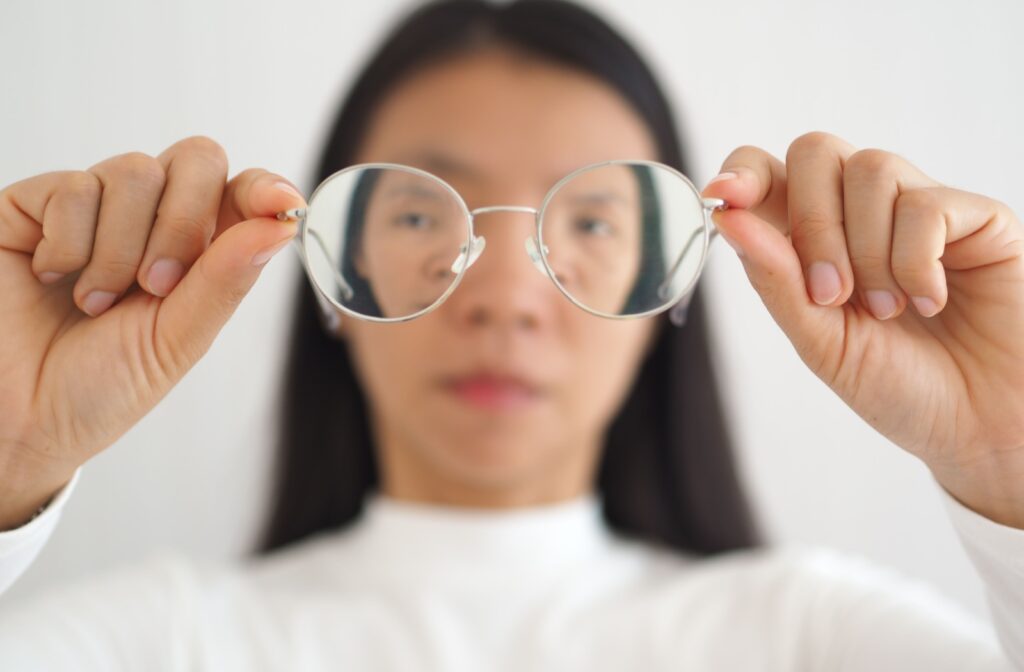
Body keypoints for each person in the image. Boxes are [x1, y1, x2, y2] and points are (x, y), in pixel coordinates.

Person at [0, 0, 1021, 669]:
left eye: (590, 221)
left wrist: (1007, 463)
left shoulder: (811, 637)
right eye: (417, 214)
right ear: (325, 279)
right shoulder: (163, 644)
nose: (503, 296)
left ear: (667, 301)